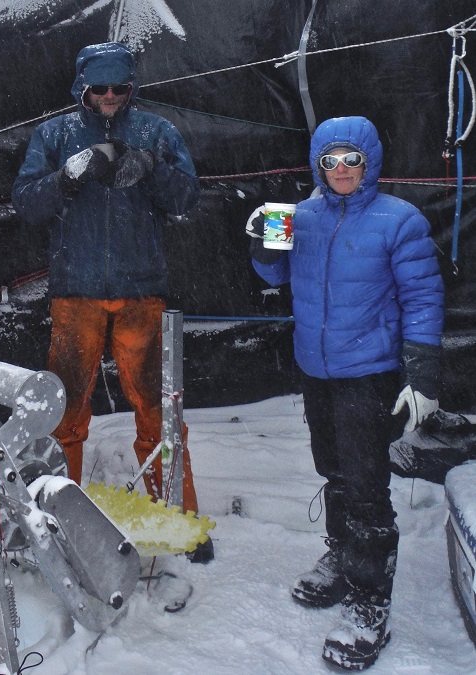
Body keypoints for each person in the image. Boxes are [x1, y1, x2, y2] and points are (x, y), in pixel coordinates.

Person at [248, 116, 444, 670]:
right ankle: (342, 554)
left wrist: (423, 372)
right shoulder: (301, 216)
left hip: (369, 373)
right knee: (332, 467)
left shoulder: (398, 221)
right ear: (317, 164)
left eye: (350, 161)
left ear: (369, 164)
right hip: (317, 370)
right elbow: (272, 276)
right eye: (330, 161)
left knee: (365, 484)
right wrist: (262, 239)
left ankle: (369, 603)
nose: (340, 171)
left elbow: (424, 299)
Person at [12, 42, 209, 557]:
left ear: (132, 86)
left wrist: (151, 168)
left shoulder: (156, 132)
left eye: (119, 87)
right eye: (98, 88)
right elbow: (26, 205)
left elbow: (188, 198)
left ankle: (179, 519)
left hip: (142, 292)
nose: (109, 97)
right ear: (81, 87)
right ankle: (57, 521)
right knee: (65, 411)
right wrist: (66, 177)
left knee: (158, 410)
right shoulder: (53, 134)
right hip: (75, 293)